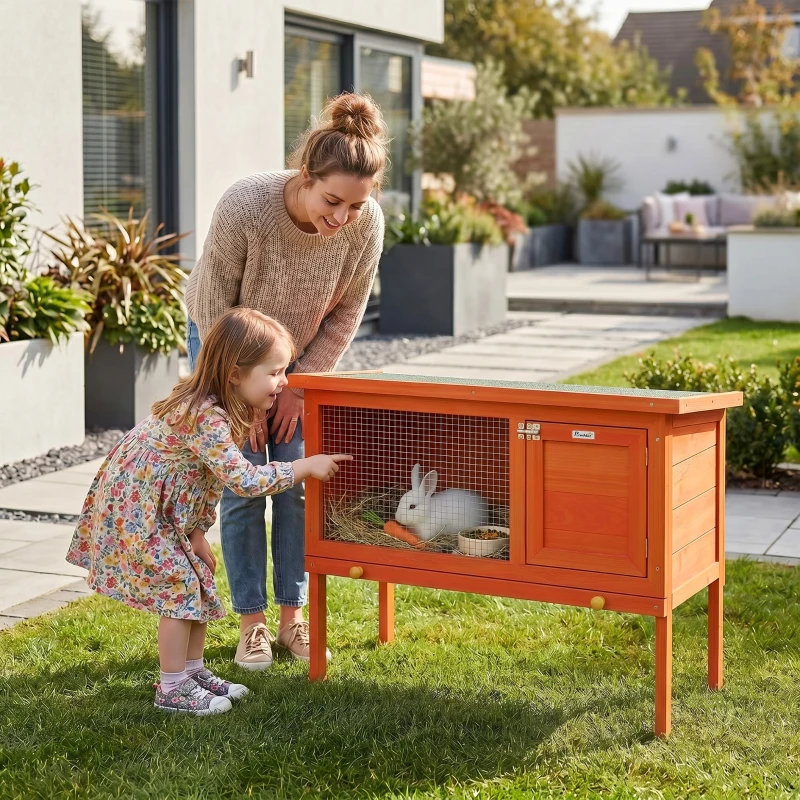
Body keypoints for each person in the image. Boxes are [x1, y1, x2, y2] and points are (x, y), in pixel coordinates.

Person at [184, 91, 388, 669]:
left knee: (297, 481)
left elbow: (348, 311)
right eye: (332, 201)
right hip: (225, 344)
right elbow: (214, 304)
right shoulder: (247, 204)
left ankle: (292, 620)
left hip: (302, 360)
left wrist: (297, 385)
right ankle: (250, 623)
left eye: (355, 205)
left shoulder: (364, 222)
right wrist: (238, 394)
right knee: (246, 481)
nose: (341, 218)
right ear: (306, 174)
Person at [66, 308, 351, 715]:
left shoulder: (225, 406)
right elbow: (244, 482)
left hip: (166, 508)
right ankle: (171, 688)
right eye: (273, 373)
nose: (283, 382)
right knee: (179, 588)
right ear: (235, 374)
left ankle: (192, 671)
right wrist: (305, 466)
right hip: (140, 510)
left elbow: (206, 479)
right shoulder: (207, 415)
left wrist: (198, 532)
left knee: (196, 581)